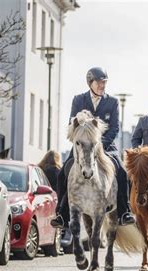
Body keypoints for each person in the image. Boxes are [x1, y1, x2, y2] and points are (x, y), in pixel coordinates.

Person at [50, 67, 135, 228]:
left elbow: (115, 128)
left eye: (104, 82)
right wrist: (86, 142)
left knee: (122, 172)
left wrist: (99, 145)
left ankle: (125, 212)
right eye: (99, 82)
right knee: (63, 173)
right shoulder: (78, 100)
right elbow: (72, 125)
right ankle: (62, 214)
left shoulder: (112, 102)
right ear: (90, 83)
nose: (102, 85)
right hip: (82, 147)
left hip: (107, 147)